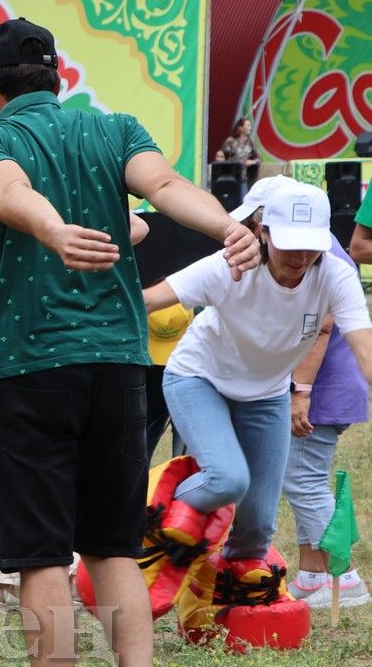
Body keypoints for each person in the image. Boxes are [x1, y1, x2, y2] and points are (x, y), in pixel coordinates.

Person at [0, 16, 261, 667]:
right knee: (113, 543)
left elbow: (6, 192)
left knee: (39, 557)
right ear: (58, 78)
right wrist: (230, 228)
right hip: (120, 368)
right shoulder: (113, 128)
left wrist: (53, 232)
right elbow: (163, 185)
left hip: (31, 367)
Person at [144, 183, 372, 603]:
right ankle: (148, 519)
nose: (301, 258)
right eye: (290, 246)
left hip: (266, 393)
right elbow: (150, 299)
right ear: (262, 231)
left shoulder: (334, 274)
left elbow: (362, 342)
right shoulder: (228, 266)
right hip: (199, 378)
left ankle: (231, 598)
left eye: (311, 247)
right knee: (229, 478)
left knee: (257, 526)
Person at [282, 235, 370, 608]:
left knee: (303, 480)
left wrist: (300, 390)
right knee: (305, 477)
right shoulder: (316, 243)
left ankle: (344, 579)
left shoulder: (313, 250)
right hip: (326, 385)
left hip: (320, 387)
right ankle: (313, 576)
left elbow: (323, 325)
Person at [215, 118, 261, 187]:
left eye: (250, 126)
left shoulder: (250, 143)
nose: (250, 128)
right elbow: (221, 159)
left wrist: (253, 162)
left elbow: (259, 159)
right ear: (240, 128)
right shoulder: (230, 142)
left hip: (245, 180)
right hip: (230, 178)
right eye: (248, 125)